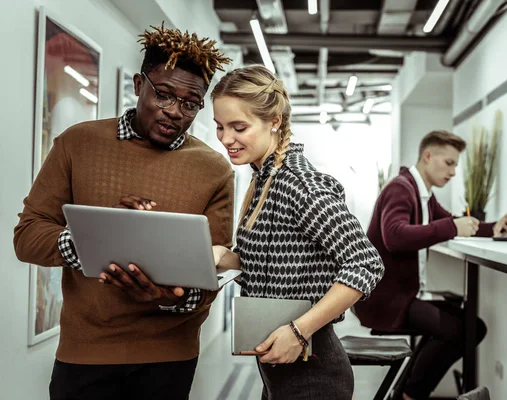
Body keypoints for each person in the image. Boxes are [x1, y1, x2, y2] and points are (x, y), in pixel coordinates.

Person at [14, 24, 233, 400]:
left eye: (190, 103)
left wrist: (171, 296)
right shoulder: (77, 143)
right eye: (163, 95)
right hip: (86, 354)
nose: (174, 112)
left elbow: (212, 275)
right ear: (138, 85)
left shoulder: (214, 169)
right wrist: (99, 236)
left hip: (169, 358)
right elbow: (27, 238)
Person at [210, 65, 385, 399]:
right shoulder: (263, 180)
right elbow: (274, 262)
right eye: (220, 127)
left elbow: (365, 264)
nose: (226, 139)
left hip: (311, 368)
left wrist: (298, 331)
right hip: (279, 364)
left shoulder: (300, 185)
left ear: (274, 120)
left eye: (238, 127)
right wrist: (227, 258)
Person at [353, 130, 507, 400]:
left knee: (471, 326)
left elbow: (455, 223)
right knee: (457, 330)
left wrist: (494, 227)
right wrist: (451, 226)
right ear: (428, 156)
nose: (453, 172)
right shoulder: (400, 188)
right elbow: (394, 236)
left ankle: (406, 391)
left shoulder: (423, 195)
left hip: (405, 296)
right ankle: (410, 394)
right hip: (385, 300)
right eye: (449, 163)